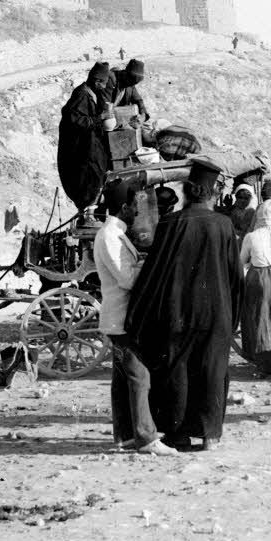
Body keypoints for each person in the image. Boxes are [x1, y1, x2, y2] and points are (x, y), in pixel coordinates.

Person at [126, 157, 241, 451]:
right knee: (212, 370)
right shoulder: (224, 225)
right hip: (216, 312)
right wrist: (233, 316)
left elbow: (155, 272)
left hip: (176, 312)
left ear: (187, 192)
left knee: (176, 370)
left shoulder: (170, 223)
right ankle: (210, 435)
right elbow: (234, 276)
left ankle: (177, 435)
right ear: (213, 194)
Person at [96, 181, 176, 456]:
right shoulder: (110, 236)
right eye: (133, 206)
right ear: (123, 207)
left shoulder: (115, 233)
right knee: (139, 376)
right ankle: (146, 438)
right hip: (120, 318)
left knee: (122, 378)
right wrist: (149, 263)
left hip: (117, 317)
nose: (136, 211)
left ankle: (125, 435)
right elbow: (128, 279)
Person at [57, 62, 112, 213]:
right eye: (103, 83)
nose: (104, 87)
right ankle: (87, 209)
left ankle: (93, 205)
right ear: (97, 81)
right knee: (87, 177)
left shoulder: (91, 93)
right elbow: (74, 120)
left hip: (89, 143)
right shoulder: (81, 95)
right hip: (79, 148)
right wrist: (100, 118)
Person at [238, 198, 271, 378]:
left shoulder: (251, 236)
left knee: (260, 320)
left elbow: (241, 261)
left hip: (258, 279)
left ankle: (265, 364)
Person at [108, 59, 148, 126]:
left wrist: (143, 115)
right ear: (125, 73)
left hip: (120, 119)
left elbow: (138, 100)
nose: (132, 84)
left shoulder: (130, 84)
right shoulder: (111, 81)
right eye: (131, 81)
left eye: (134, 83)